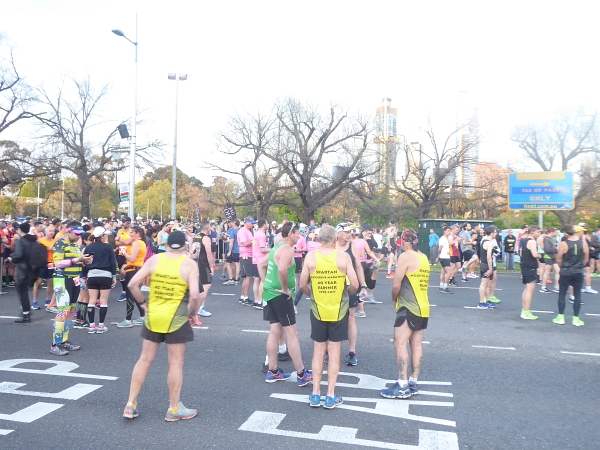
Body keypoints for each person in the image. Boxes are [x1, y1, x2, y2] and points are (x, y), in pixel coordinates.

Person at [122, 231, 201, 421]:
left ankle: (130, 404)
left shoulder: (155, 260)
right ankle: (174, 409)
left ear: (166, 245)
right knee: (175, 363)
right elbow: (195, 295)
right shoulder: (189, 264)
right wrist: (192, 313)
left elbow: (132, 284)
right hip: (177, 318)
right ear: (185, 246)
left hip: (154, 315)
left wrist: (143, 304)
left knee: (144, 359)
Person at [300, 225, 358, 409]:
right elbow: (355, 284)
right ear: (335, 240)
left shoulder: (310, 257)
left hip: (318, 309)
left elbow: (302, 284)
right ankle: (330, 395)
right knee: (334, 352)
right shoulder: (343, 257)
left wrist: (313, 295)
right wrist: (345, 294)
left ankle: (315, 394)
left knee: (318, 351)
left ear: (318, 240)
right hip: (338, 310)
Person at [257, 222, 313, 387]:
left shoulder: (277, 248)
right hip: (280, 295)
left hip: (270, 293)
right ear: (291, 234)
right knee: (292, 333)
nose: (300, 236)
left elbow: (261, 265)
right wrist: (284, 288)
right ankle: (301, 373)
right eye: (298, 233)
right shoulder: (287, 249)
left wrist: (266, 282)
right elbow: (282, 269)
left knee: (275, 331)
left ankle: (273, 371)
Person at [380, 229, 430, 399]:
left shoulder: (406, 256)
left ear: (404, 242)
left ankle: (402, 384)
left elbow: (396, 284)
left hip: (408, 306)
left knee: (399, 343)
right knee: (416, 344)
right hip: (423, 306)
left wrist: (394, 299)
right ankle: (413, 382)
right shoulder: (423, 257)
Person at [50, 222, 92, 355]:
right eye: (76, 233)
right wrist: (77, 260)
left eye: (80, 234)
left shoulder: (74, 245)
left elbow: (76, 261)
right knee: (63, 311)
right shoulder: (59, 244)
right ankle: (55, 344)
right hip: (63, 279)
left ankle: (64, 341)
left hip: (75, 279)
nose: (78, 236)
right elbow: (58, 263)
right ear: (68, 231)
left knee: (71, 310)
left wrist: (84, 262)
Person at [335, 223, 368, 366]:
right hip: (334, 287)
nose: (350, 234)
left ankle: (352, 352)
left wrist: (363, 286)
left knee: (350, 318)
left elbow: (359, 268)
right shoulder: (332, 246)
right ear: (338, 234)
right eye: (347, 232)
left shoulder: (352, 247)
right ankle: (331, 350)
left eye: (351, 232)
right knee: (333, 319)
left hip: (350, 286)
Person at [553, 225, 589, 326]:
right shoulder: (583, 242)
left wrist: (562, 267)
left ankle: (561, 317)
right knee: (577, 294)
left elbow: (559, 259)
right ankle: (576, 318)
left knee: (562, 293)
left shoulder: (564, 244)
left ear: (565, 233)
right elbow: (586, 258)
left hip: (566, 270)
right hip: (578, 271)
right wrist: (581, 265)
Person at [84, 227, 117, 333]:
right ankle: (101, 325)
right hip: (105, 275)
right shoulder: (108, 247)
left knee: (92, 300)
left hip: (91, 275)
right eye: (105, 235)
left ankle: (92, 325)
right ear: (102, 236)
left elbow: (84, 263)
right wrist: (114, 276)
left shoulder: (88, 247)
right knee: (103, 301)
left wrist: (84, 276)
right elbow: (112, 262)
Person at [117, 226, 147, 328]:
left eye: (131, 233)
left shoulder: (137, 243)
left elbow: (132, 258)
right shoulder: (140, 242)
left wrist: (124, 253)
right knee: (134, 294)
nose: (129, 234)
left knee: (130, 295)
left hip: (133, 270)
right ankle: (143, 316)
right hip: (135, 270)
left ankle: (128, 320)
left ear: (137, 234)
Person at [10, 223, 37, 323]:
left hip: (22, 269)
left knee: (22, 291)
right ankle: (26, 311)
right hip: (32, 268)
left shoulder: (21, 241)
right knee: (25, 291)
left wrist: (11, 257)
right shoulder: (33, 240)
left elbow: (19, 255)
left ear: (20, 230)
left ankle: (26, 314)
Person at [191, 221, 214, 320]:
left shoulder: (196, 236)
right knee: (207, 284)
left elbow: (192, 250)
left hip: (196, 263)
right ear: (207, 228)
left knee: (199, 285)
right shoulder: (205, 238)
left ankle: (197, 306)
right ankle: (200, 306)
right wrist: (212, 267)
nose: (210, 230)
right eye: (209, 228)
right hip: (203, 264)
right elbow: (209, 253)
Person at [520, 225, 541, 320]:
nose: (539, 234)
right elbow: (535, 254)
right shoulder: (532, 241)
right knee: (530, 290)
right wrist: (540, 255)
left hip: (524, 266)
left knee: (526, 289)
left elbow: (521, 253)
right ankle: (526, 311)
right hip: (530, 267)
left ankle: (524, 310)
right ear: (532, 232)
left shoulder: (524, 240)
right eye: (538, 232)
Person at [33, 225, 56, 310]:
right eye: (50, 231)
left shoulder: (55, 241)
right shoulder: (40, 240)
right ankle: (34, 301)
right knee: (38, 282)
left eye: (53, 231)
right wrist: (49, 248)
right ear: (45, 231)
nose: (51, 233)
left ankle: (47, 300)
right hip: (41, 263)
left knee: (50, 282)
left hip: (51, 263)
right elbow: (37, 251)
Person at [477, 226, 500, 309]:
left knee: (486, 284)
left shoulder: (485, 241)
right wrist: (490, 269)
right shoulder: (488, 243)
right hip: (486, 265)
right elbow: (489, 257)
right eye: (495, 232)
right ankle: (481, 303)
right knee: (483, 284)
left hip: (485, 264)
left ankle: (487, 300)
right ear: (491, 233)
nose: (496, 233)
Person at [252, 218, 270, 309]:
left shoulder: (256, 233)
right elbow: (262, 249)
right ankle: (260, 301)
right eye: (267, 223)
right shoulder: (262, 235)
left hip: (255, 259)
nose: (268, 225)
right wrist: (273, 250)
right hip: (261, 260)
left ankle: (256, 300)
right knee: (263, 280)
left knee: (256, 280)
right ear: (264, 224)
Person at [237, 217, 255, 306]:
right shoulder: (242, 231)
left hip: (249, 255)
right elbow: (245, 243)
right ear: (247, 223)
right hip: (246, 255)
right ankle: (245, 297)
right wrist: (255, 241)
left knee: (247, 277)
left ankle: (243, 296)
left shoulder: (248, 231)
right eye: (251, 223)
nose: (253, 225)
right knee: (248, 276)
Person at [540, 227, 560, 293]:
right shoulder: (547, 239)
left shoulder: (550, 239)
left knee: (558, 271)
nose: (556, 233)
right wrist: (556, 249)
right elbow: (547, 249)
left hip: (553, 257)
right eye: (555, 232)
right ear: (551, 232)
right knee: (547, 272)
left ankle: (557, 286)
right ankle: (543, 287)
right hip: (548, 257)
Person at [223, 219, 240, 285]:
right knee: (237, 264)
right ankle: (237, 279)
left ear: (234, 224)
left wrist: (230, 251)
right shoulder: (240, 231)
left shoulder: (233, 231)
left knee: (228, 263)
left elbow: (231, 242)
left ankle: (231, 279)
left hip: (233, 250)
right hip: (239, 250)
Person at [437, 226, 453, 294]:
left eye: (450, 231)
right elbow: (440, 249)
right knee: (449, 272)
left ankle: (441, 286)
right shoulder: (443, 238)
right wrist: (440, 255)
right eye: (448, 231)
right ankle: (445, 287)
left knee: (443, 272)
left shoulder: (446, 239)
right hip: (444, 257)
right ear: (444, 231)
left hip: (444, 257)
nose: (449, 232)